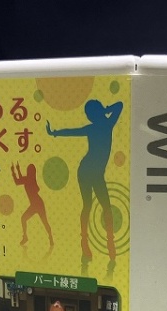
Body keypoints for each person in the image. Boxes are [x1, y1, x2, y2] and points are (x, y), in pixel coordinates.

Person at [46, 99, 123, 262]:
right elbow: (72, 132)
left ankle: (109, 241)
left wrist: (55, 132)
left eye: (90, 114)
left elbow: (120, 105)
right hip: (86, 171)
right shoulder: (105, 124)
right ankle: (86, 241)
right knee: (92, 205)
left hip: (93, 172)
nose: (90, 117)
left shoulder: (105, 125)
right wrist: (55, 133)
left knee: (102, 206)